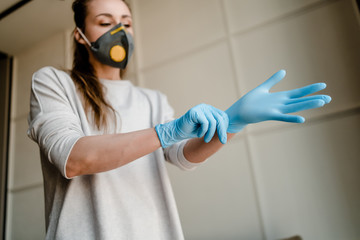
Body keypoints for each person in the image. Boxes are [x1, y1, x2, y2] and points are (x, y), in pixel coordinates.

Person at [27, 0, 331, 239]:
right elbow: (72, 158)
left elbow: (182, 156)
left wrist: (233, 120)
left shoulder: (151, 99)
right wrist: (164, 132)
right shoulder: (53, 82)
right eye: (105, 22)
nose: (119, 32)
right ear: (80, 35)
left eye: (127, 23)